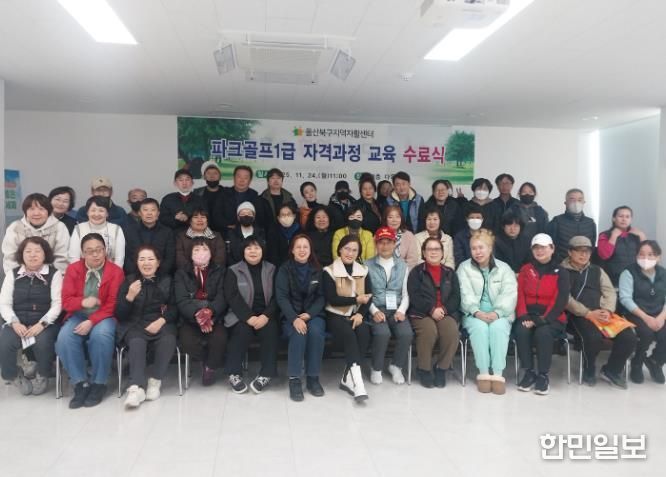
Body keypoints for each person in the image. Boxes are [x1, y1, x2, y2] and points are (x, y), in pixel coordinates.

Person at [55, 233, 124, 408]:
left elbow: (113, 304)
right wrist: (83, 302)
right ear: (83, 253)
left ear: (105, 250)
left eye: (99, 250)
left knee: (101, 336)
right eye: (90, 251)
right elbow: (66, 301)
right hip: (78, 314)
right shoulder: (73, 269)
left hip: (105, 315)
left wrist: (92, 321)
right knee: (65, 338)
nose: (95, 254)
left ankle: (99, 383)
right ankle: (80, 383)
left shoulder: (115, 271)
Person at [563, 236, 636, 388]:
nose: (583, 254)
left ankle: (611, 370)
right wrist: (587, 313)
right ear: (570, 252)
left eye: (587, 251)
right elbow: (565, 298)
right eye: (579, 250)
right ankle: (589, 369)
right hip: (578, 315)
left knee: (628, 336)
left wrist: (607, 310)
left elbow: (610, 291)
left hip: (603, 313)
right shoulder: (561, 271)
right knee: (593, 337)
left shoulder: (597, 270)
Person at [116, 245, 177, 408]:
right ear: (137, 262)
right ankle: (136, 387)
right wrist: (129, 296)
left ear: (158, 262)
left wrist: (161, 321)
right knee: (137, 342)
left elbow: (174, 308)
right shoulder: (129, 281)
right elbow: (120, 314)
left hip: (160, 322)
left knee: (168, 339)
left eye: (151, 259)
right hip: (135, 323)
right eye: (142, 259)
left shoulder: (167, 280)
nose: (146, 263)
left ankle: (155, 381)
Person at [457, 230, 517, 394]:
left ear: (490, 248)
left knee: (498, 328)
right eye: (474, 248)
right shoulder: (464, 268)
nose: (478, 252)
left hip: (500, 314)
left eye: (481, 247)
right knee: (480, 329)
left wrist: (497, 313)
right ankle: (483, 373)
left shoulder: (504, 268)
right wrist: (476, 312)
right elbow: (464, 293)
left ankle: (497, 374)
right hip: (473, 314)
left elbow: (510, 294)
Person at [0, 237, 62, 395]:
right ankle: (14, 375)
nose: (32, 255)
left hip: (44, 323)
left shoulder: (54, 274)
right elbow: (4, 303)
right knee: (5, 342)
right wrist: (14, 322)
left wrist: (42, 324)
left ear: (45, 254)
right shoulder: (12, 274)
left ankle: (43, 375)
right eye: (28, 251)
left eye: (37, 251)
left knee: (43, 342)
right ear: (22, 254)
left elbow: (58, 304)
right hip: (18, 322)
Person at [515, 233, 570, 396]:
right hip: (528, 315)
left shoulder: (561, 272)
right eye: (536, 248)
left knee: (543, 333)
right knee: (521, 331)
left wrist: (542, 320)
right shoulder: (526, 269)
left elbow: (560, 300)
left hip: (552, 317)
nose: (539, 251)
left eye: (543, 247)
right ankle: (529, 372)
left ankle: (543, 375)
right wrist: (523, 316)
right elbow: (519, 294)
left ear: (552, 249)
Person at [224, 236, 279, 394]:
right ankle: (234, 374)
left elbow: (278, 296)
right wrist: (249, 317)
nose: (253, 251)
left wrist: (265, 315)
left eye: (256, 248)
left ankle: (266, 374)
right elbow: (232, 297)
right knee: (241, 331)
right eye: (249, 248)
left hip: (266, 315)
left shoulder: (272, 269)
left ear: (262, 250)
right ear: (243, 251)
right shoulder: (233, 270)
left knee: (271, 331)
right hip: (241, 315)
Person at [275, 235, 326, 401]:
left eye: (306, 247)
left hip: (313, 314)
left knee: (316, 332)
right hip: (291, 315)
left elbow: (321, 297)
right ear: (292, 250)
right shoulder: (284, 269)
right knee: (298, 333)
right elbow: (281, 297)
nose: (302, 250)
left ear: (310, 250)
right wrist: (294, 318)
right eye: (298, 247)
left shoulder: (318, 269)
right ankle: (294, 379)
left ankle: (313, 377)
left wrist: (310, 314)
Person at [323, 235, 372, 402]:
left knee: (364, 332)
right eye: (347, 249)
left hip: (355, 315)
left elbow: (369, 296)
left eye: (354, 250)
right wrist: (356, 300)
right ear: (340, 250)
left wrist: (360, 314)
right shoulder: (329, 271)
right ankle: (358, 384)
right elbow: (332, 299)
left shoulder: (363, 270)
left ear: (358, 253)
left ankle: (347, 377)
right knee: (349, 334)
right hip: (335, 315)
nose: (350, 253)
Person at [407, 237, 461, 388]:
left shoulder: (450, 273)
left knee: (451, 331)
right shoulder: (416, 272)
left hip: (445, 313)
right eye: (429, 249)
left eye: (437, 249)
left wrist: (443, 309)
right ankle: (423, 369)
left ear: (442, 253)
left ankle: (441, 368)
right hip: (422, 313)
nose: (433, 252)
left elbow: (456, 297)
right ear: (424, 253)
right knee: (429, 330)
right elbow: (414, 296)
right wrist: (431, 310)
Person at [174, 239, 227, 386]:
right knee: (187, 342)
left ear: (211, 253)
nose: (201, 253)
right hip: (190, 318)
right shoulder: (181, 273)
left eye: (205, 249)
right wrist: (198, 315)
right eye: (196, 250)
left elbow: (223, 296)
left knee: (220, 339)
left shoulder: (220, 271)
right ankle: (207, 362)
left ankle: (210, 367)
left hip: (214, 316)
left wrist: (210, 312)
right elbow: (181, 300)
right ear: (190, 254)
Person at [365, 227, 413, 385]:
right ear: (376, 244)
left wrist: (401, 310)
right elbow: (365, 294)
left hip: (396, 309)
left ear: (394, 244)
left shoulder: (402, 265)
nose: (385, 246)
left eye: (388, 242)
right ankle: (376, 368)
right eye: (381, 242)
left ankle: (396, 366)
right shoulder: (367, 265)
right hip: (376, 308)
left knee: (406, 333)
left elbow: (406, 294)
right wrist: (374, 311)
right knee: (382, 333)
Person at [619, 240, 666, 384]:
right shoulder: (628, 272)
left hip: (659, 313)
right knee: (646, 333)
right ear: (636, 256)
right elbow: (625, 299)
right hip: (635, 313)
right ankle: (637, 362)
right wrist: (646, 318)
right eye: (642, 254)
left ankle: (656, 361)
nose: (646, 258)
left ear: (658, 257)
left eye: (651, 254)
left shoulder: (663, 273)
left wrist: (661, 317)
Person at [2, 193, 70, 273]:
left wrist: (56, 275)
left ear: (48, 211)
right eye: (31, 209)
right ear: (25, 211)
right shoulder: (15, 227)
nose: (36, 213)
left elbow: (62, 258)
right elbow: (10, 258)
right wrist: (17, 277)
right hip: (21, 275)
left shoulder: (59, 227)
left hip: (51, 275)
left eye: (41, 209)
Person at [68, 196, 126, 268]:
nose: (96, 214)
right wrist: (79, 273)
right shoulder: (79, 229)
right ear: (87, 212)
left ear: (107, 213)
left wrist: (114, 273)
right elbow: (74, 258)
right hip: (83, 271)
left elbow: (119, 259)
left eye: (101, 211)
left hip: (110, 271)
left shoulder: (116, 229)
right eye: (93, 210)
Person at [123, 198, 176, 275]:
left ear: (158, 213)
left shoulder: (167, 232)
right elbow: (126, 257)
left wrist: (159, 275)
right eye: (145, 210)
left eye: (153, 210)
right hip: (135, 275)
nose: (149, 213)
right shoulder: (129, 231)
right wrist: (135, 274)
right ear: (139, 213)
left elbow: (170, 257)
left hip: (161, 275)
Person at [598, 206, 645, 286]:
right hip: (613, 279)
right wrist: (613, 236)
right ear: (614, 218)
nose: (624, 219)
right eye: (621, 216)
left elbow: (646, 257)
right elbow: (604, 255)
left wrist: (642, 236)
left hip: (634, 277)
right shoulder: (605, 235)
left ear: (631, 219)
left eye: (627, 217)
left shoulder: (637, 235)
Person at [547, 188, 597, 264]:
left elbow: (592, 246)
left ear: (584, 202)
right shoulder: (557, 221)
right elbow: (550, 246)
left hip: (584, 266)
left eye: (579, 200)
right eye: (572, 200)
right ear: (565, 203)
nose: (576, 203)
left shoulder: (590, 223)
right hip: (562, 264)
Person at [213, 165, 259, 232]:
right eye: (239, 177)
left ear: (250, 180)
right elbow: (216, 215)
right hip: (225, 231)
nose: (242, 180)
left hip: (248, 233)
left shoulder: (255, 196)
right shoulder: (223, 194)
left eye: (245, 178)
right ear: (234, 178)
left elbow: (258, 219)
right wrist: (227, 226)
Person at [257, 168, 297, 232]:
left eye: (278, 178)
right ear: (268, 182)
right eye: (273, 178)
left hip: (286, 233)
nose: (276, 181)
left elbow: (295, 218)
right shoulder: (260, 199)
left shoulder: (290, 199)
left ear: (282, 181)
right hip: (267, 234)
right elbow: (259, 221)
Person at [268, 202, 301, 267]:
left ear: (294, 216)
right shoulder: (273, 232)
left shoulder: (300, 232)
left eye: (289, 214)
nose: (286, 217)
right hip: (278, 267)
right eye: (283, 215)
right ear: (278, 218)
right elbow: (272, 255)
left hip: (297, 266)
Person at [194, 162, 224, 226]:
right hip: (202, 227)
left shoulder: (227, 193)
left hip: (223, 228)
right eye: (208, 173)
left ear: (220, 177)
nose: (212, 176)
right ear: (204, 177)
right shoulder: (197, 193)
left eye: (215, 173)